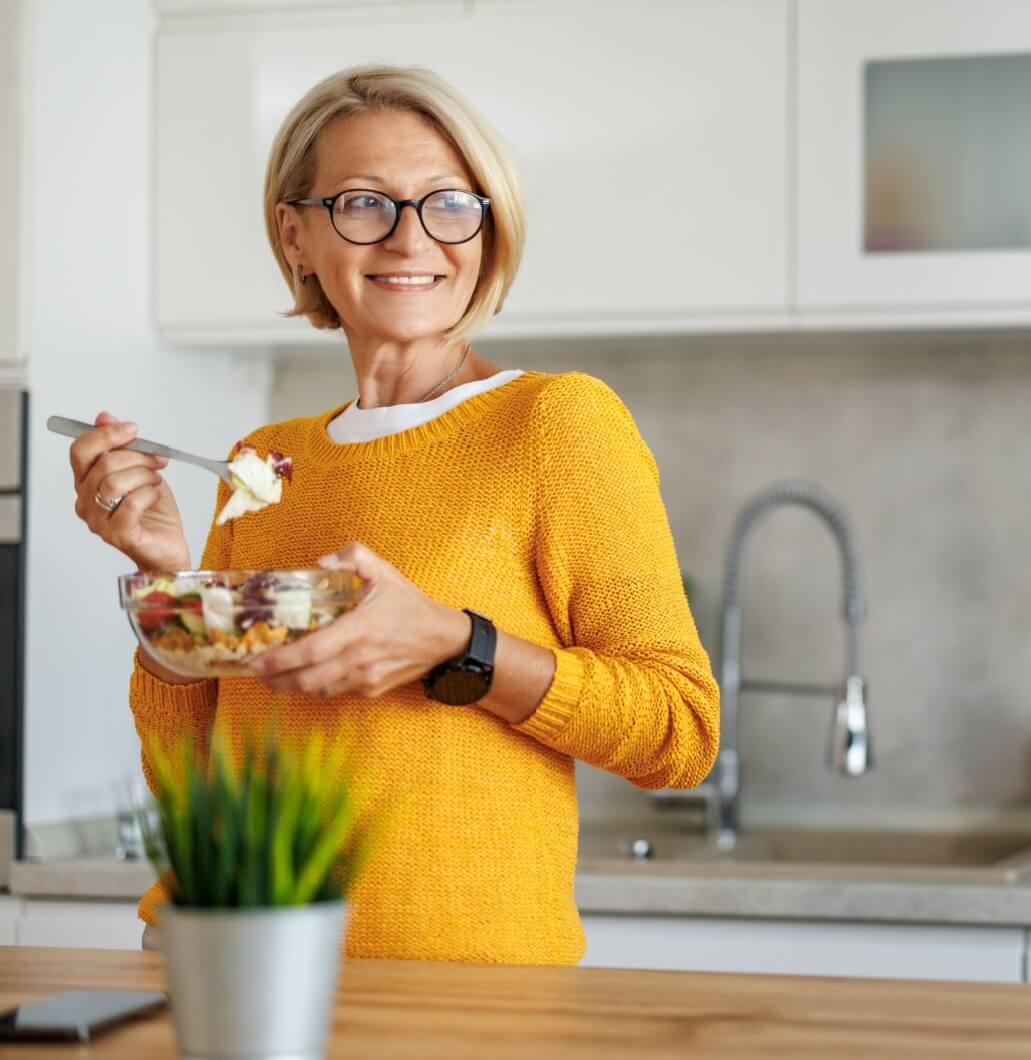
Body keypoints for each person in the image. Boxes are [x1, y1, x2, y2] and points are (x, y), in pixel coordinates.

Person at [65, 65, 719, 964]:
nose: (413, 239)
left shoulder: (555, 425)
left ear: (487, 231)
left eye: (449, 203)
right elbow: (195, 780)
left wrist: (460, 647)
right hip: (223, 960)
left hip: (457, 995)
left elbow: (679, 733)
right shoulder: (263, 463)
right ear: (297, 236)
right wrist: (165, 584)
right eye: (365, 203)